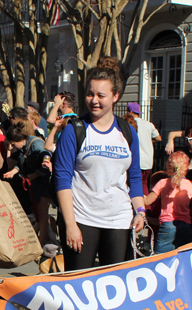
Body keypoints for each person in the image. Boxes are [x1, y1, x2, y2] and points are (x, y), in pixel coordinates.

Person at [53, 56, 145, 270]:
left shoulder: (127, 132)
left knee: (113, 285)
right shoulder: (74, 130)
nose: (94, 100)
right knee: (78, 286)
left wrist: (140, 211)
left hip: (119, 221)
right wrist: (70, 225)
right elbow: (62, 180)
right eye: (90, 94)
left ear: (115, 96)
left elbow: (134, 178)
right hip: (82, 219)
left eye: (101, 95)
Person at [141, 151, 192, 253]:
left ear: (168, 166)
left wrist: (138, 193)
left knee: (161, 260)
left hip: (167, 226)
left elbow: (147, 201)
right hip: (185, 227)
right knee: (184, 258)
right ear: (186, 167)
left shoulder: (162, 183)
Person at [127, 102, 161, 184]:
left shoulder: (129, 124)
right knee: (144, 184)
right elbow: (159, 138)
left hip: (136, 160)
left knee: (134, 184)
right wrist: (149, 140)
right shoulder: (149, 124)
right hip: (148, 161)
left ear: (130, 112)